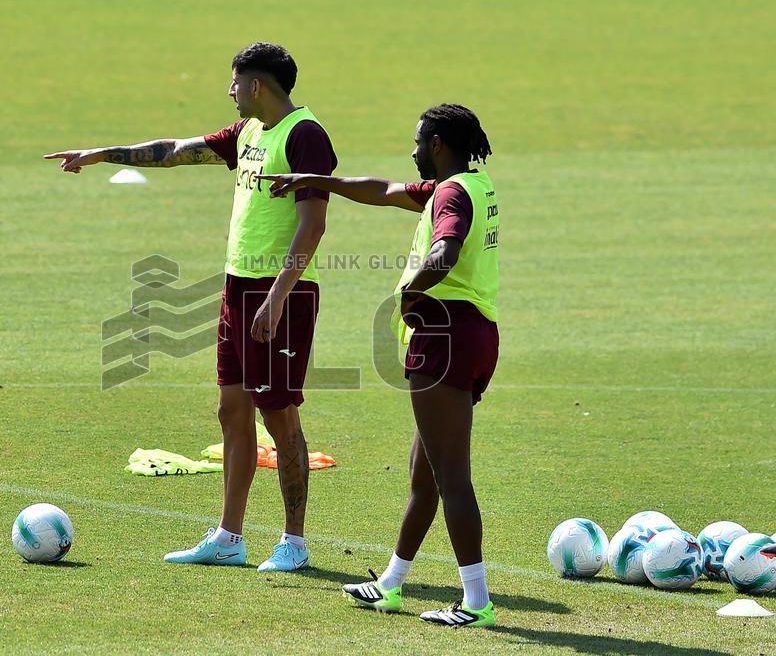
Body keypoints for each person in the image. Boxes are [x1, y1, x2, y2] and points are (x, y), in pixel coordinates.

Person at [44, 43, 337, 572]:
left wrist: (277, 296)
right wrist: (102, 153)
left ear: (257, 85)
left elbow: (312, 225)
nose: (230, 91)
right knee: (232, 409)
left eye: (235, 82)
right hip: (238, 288)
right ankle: (229, 537)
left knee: (279, 416)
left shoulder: (305, 136)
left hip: (281, 295)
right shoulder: (248, 132)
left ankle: (294, 542)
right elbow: (177, 150)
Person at [259, 103, 499, 625]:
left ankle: (476, 602)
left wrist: (411, 294)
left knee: (451, 477)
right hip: (474, 334)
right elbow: (384, 190)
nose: (412, 151)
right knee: (425, 475)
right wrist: (315, 179)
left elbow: (446, 250)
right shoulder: (470, 186)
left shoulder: (451, 195)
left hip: (445, 336)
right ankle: (390, 583)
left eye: (418, 141)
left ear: (438, 144)